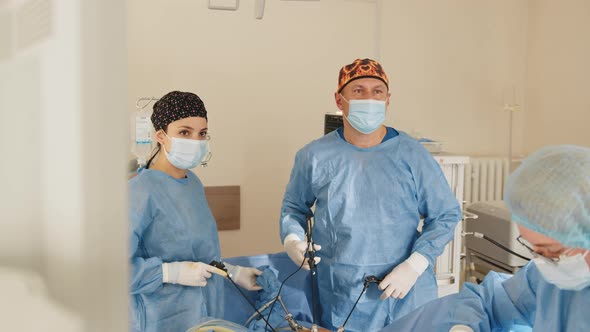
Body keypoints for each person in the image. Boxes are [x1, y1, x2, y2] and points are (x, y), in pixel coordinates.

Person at [279, 59, 462, 331]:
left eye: (377, 91)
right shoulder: (314, 155)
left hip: (404, 293)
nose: (369, 97)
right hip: (341, 292)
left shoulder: (412, 154)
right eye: (359, 90)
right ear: (339, 100)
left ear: (388, 100)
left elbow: (446, 214)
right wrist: (293, 239)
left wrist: (415, 264)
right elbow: (294, 208)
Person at [379, 145, 590, 332]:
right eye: (534, 250)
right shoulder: (544, 278)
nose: (543, 261)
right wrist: (464, 325)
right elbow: (491, 300)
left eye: (551, 251)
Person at [128, 91, 262, 332]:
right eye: (184, 132)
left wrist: (232, 272)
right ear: (161, 135)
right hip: (161, 320)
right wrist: (169, 272)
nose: (195, 141)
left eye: (202, 134)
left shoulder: (193, 183)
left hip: (204, 318)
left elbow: (199, 253)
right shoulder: (140, 191)